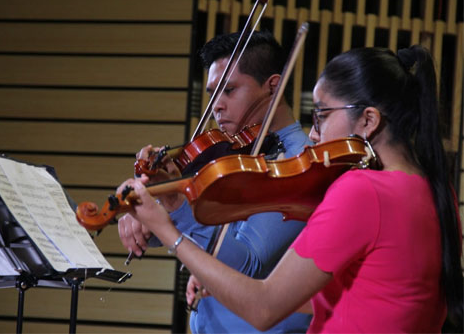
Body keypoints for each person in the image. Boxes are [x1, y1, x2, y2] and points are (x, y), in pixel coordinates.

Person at [120, 45, 463, 333]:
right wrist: (223, 286)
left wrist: (167, 230)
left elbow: (264, 308)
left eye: (321, 116)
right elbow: (372, 298)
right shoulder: (436, 189)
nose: (313, 135)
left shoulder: (363, 189)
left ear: (369, 121)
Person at [118, 31, 313, 333]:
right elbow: (192, 230)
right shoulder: (230, 154)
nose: (217, 106)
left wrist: (173, 205)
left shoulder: (299, 163)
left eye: (229, 90)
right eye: (212, 94)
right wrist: (146, 211)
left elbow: (247, 264)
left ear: (273, 86)